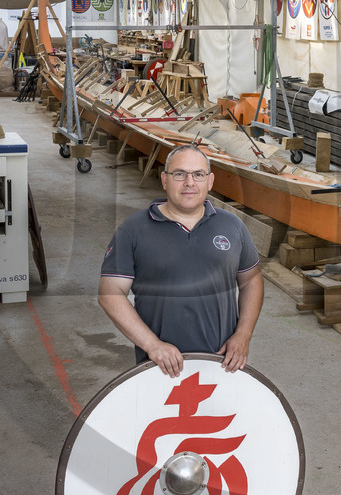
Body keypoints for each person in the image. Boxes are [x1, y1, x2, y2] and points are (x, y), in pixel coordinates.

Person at [98, 144, 263, 377]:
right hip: (159, 366)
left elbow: (251, 281)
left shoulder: (232, 226)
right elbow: (109, 293)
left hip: (223, 363)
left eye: (198, 174)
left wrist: (243, 335)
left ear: (210, 181)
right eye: (179, 174)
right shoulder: (133, 230)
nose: (189, 182)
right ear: (165, 180)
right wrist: (153, 345)